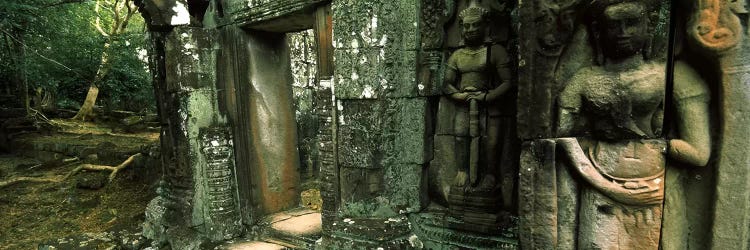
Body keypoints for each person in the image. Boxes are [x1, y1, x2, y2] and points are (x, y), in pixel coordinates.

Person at [556, 0, 711, 248]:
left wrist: (660, 146)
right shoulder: (584, 80)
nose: (623, 33)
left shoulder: (673, 77)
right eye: (613, 25)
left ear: (649, 27)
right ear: (598, 31)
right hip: (598, 184)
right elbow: (561, 135)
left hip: (656, 191)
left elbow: (699, 154)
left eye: (632, 23)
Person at [443, 0, 515, 208]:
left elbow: (508, 83)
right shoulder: (457, 55)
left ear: (486, 26)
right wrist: (459, 95)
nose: (471, 30)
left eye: (475, 25)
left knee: (491, 143)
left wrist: (485, 97)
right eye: (466, 26)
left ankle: (490, 175)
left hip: (490, 105)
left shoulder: (495, 51)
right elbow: (446, 84)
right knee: (460, 136)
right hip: (464, 105)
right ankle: (463, 170)